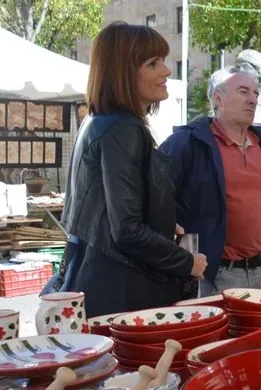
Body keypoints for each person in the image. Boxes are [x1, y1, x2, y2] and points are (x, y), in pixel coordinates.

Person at [56, 22, 206, 316]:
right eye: (153, 63)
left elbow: (104, 208)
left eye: (163, 61)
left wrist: (159, 219)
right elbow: (125, 230)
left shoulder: (98, 122)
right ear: (123, 72)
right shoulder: (123, 128)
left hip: (97, 282)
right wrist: (187, 262)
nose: (166, 70)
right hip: (123, 293)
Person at [159, 67, 261, 295]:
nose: (253, 99)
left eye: (255, 93)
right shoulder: (188, 143)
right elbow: (154, 197)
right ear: (218, 98)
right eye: (244, 92)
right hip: (215, 274)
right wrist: (180, 254)